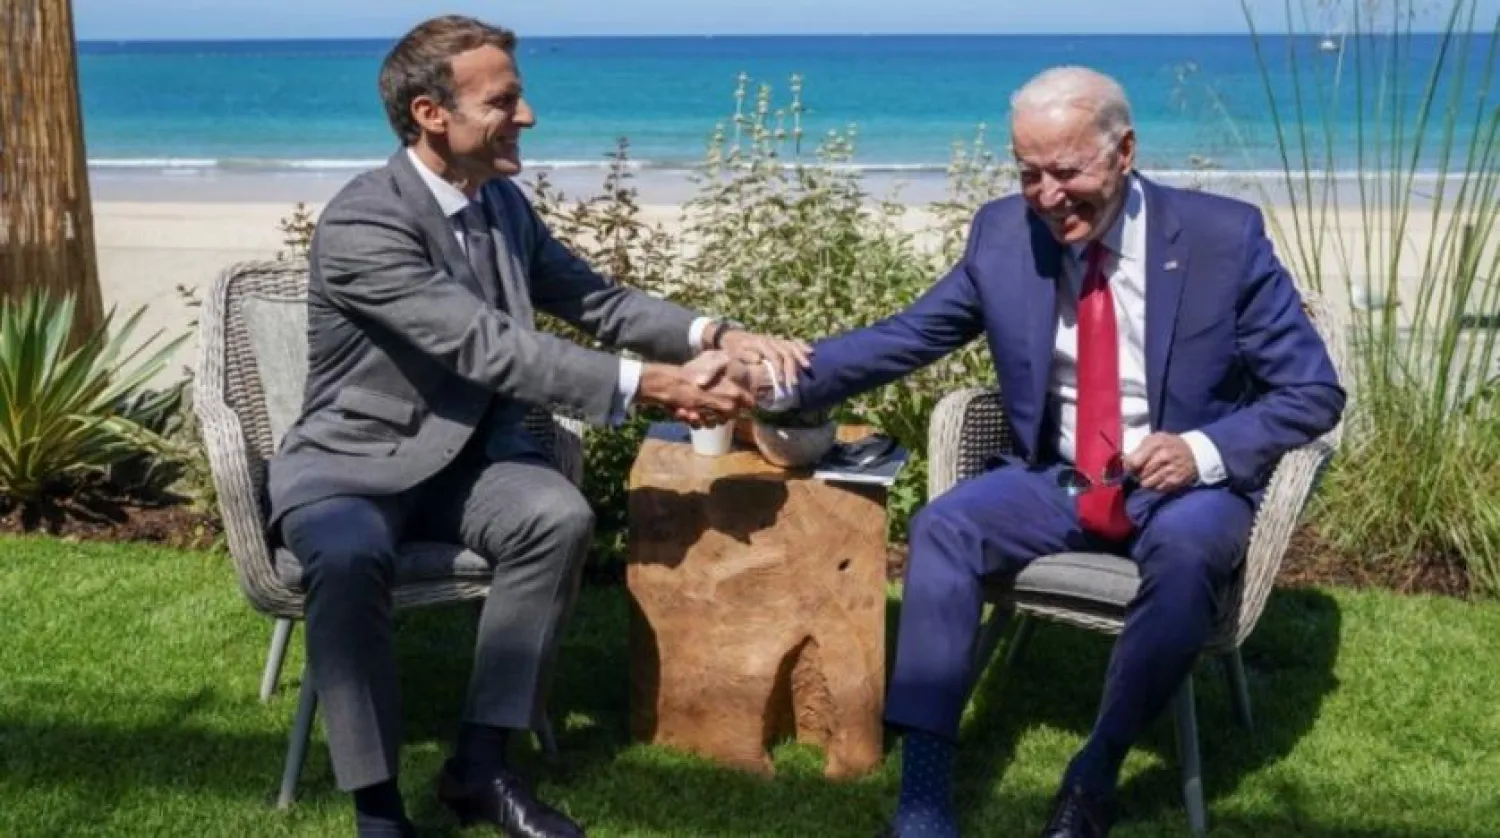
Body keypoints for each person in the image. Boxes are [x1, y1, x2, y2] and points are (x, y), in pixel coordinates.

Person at [751, 66, 1345, 837]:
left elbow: (1310, 392)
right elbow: (911, 336)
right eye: (1028, 171)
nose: (1046, 195)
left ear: (1124, 151)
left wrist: (1201, 451)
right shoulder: (1003, 233)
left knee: (1191, 554)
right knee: (944, 526)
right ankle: (925, 793)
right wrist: (774, 379)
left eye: (1067, 171)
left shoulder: (1220, 239)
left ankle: (1095, 770)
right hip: (1055, 480)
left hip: (1185, 491)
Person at [265, 15, 805, 838]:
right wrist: (651, 387)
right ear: (429, 114)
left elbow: (597, 300)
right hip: (352, 467)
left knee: (557, 516)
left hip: (473, 466)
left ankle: (480, 767)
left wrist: (714, 336)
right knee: (346, 554)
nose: (528, 116)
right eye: (504, 99)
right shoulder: (363, 224)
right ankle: (376, 808)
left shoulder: (502, 205)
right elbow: (485, 346)